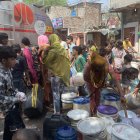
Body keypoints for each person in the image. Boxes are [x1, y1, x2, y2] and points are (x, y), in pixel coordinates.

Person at [84, 48, 124, 114]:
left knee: (97, 98)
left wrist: (122, 95)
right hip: (90, 83)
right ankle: (92, 114)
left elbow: (115, 79)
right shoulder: (89, 64)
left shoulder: (107, 65)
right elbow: (86, 77)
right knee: (92, 99)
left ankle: (96, 113)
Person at [0, 46, 26, 140]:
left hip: (12, 108)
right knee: (21, 134)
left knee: (9, 133)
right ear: (3, 60)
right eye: (12, 59)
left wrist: (17, 93)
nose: (15, 62)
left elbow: (10, 88)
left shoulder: (8, 69)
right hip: (9, 110)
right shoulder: (1, 75)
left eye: (15, 58)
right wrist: (16, 98)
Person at [42, 34, 70, 114]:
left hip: (55, 76)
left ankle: (57, 113)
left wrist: (45, 52)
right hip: (64, 75)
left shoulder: (52, 51)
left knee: (56, 95)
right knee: (61, 94)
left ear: (51, 41)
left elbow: (46, 62)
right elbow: (66, 61)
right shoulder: (63, 49)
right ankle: (62, 109)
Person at [38, 35, 52, 106]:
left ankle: (48, 102)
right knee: (50, 86)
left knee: (47, 86)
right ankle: (50, 101)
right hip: (51, 70)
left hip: (46, 71)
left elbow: (43, 63)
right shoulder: (50, 48)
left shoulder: (42, 51)